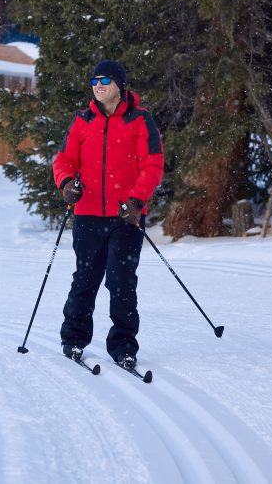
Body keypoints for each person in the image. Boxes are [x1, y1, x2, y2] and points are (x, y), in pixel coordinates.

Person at [52, 60, 164, 369]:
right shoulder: (82, 120)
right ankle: (73, 339)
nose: (98, 85)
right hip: (88, 214)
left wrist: (136, 201)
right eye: (93, 80)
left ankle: (123, 346)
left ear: (119, 83)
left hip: (125, 216)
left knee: (122, 281)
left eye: (104, 79)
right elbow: (64, 159)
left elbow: (152, 165)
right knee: (85, 279)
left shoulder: (140, 120)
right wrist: (66, 184)